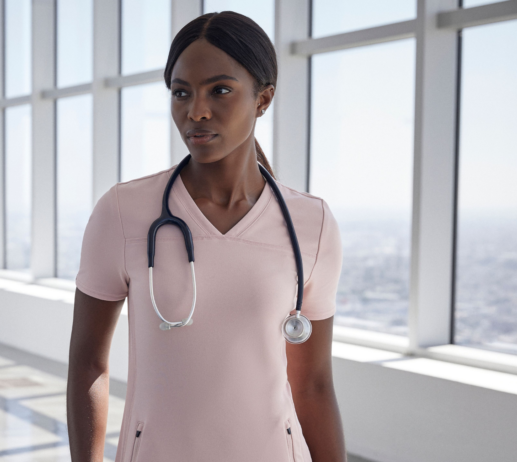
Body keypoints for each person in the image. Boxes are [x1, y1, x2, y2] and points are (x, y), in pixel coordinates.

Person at [67, 12, 346, 462]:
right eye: (182, 92)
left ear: (263, 98)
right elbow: (88, 365)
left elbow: (312, 384)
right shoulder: (123, 213)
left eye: (220, 90)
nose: (196, 110)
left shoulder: (311, 224)